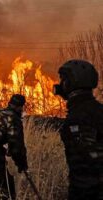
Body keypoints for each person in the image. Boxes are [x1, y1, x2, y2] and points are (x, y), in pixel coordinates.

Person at [53, 59, 103, 200]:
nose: (60, 84)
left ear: (72, 82)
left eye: (63, 79)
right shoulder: (98, 110)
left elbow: (86, 166)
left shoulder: (78, 118)